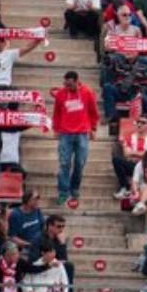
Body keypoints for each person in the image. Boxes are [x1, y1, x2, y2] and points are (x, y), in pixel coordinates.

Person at [51, 70, 99, 205]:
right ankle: (63, 191)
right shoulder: (61, 94)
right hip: (65, 133)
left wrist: (93, 128)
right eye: (65, 84)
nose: (68, 87)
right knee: (64, 163)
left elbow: (93, 111)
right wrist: (56, 129)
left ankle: (75, 188)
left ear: (77, 81)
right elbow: (57, 113)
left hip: (82, 133)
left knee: (80, 163)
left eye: (70, 85)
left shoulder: (87, 92)